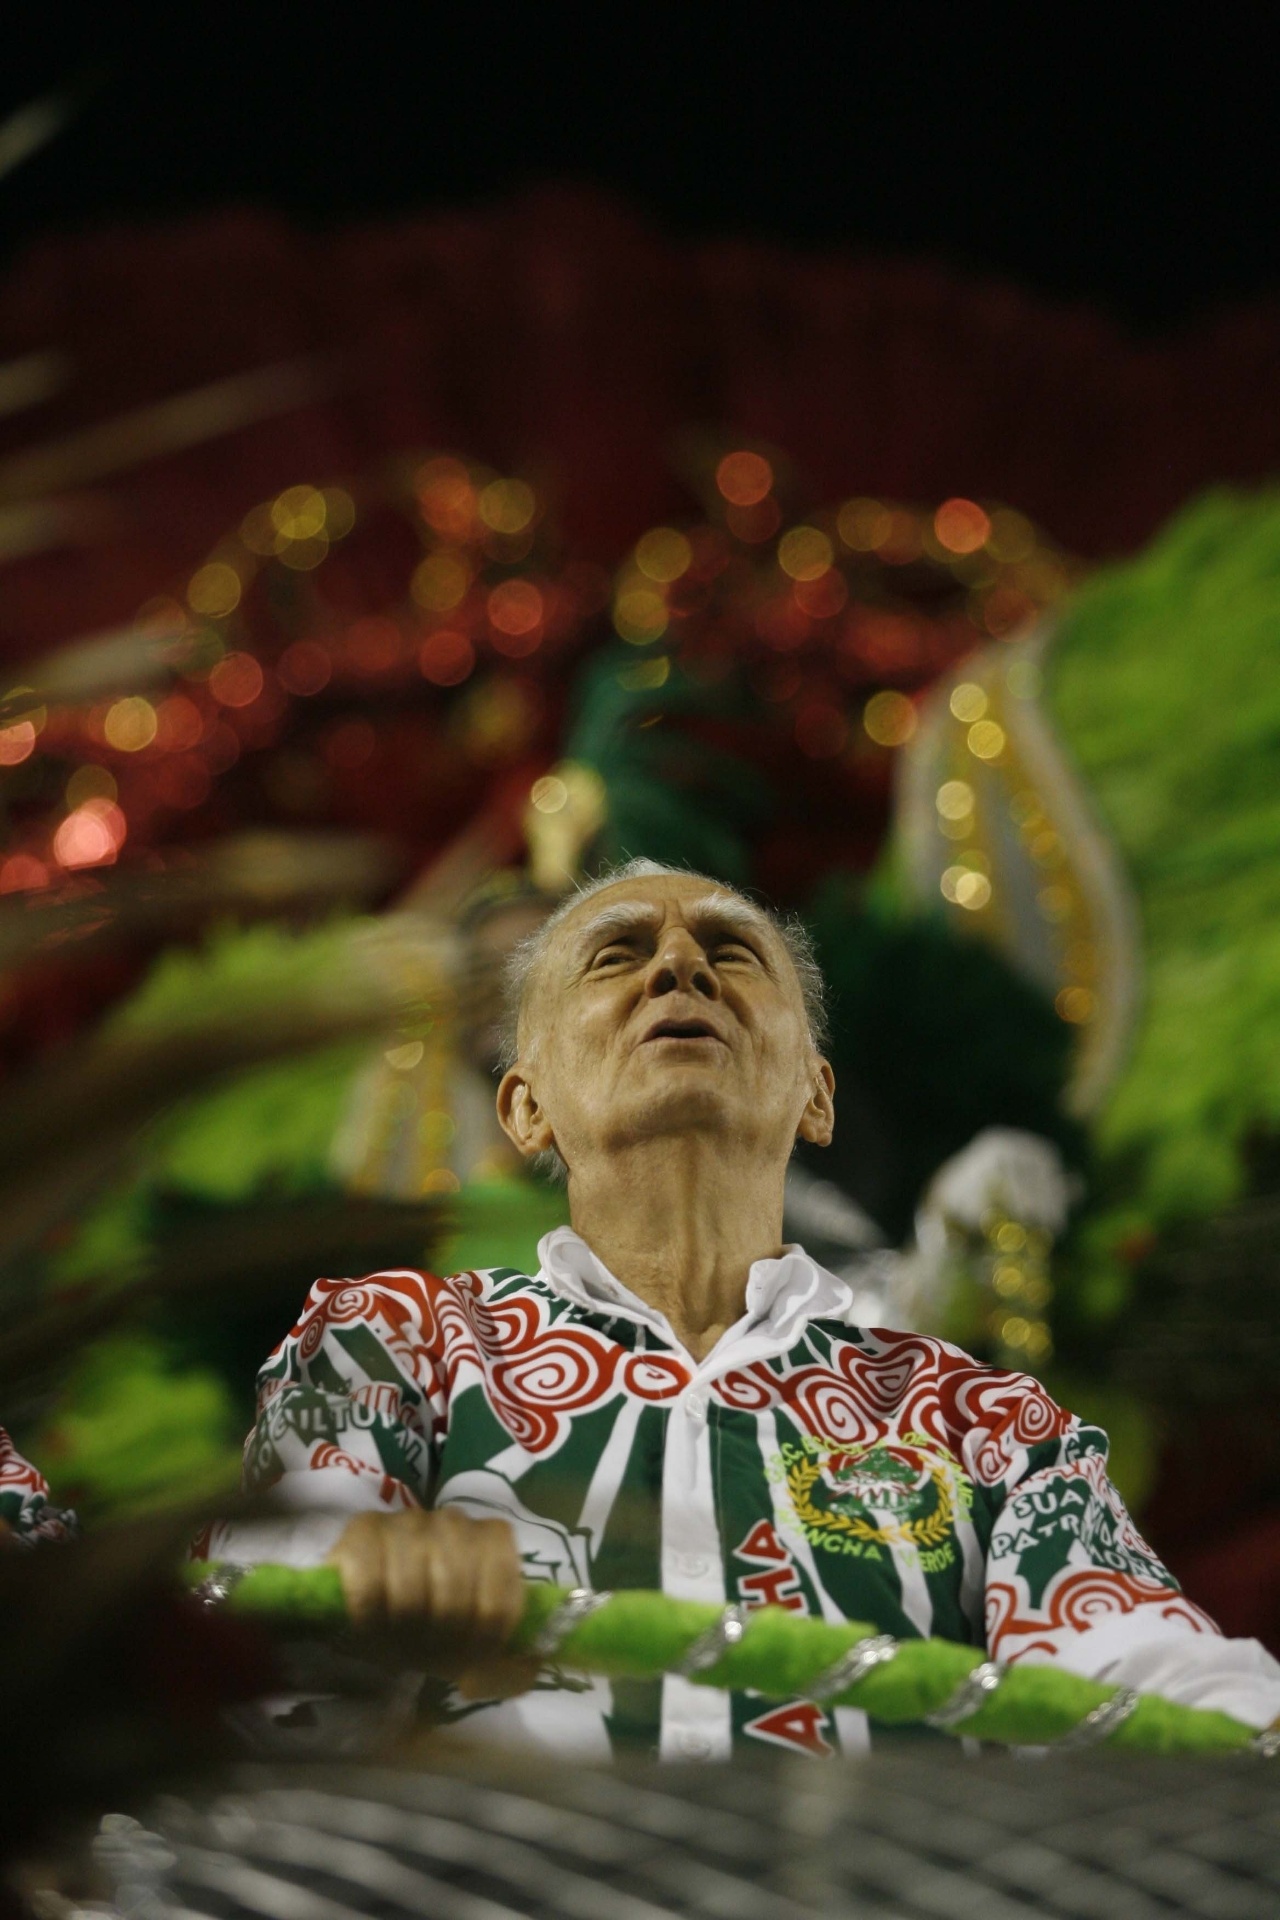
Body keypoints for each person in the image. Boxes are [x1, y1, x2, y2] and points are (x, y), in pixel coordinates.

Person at [210, 859, 1280, 1758]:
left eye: (731, 953)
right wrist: (361, 1598)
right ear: (524, 1106)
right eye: (616, 955)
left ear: (814, 1094)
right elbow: (273, 1599)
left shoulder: (982, 1418)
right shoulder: (390, 1339)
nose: (679, 966)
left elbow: (1144, 1664)